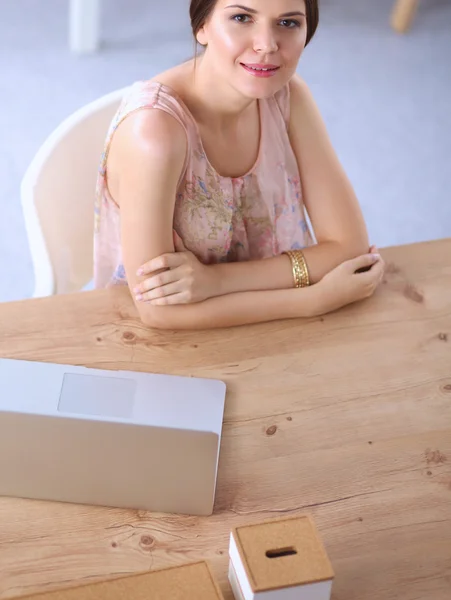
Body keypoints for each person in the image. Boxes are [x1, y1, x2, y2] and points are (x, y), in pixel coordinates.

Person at [94, 0, 385, 330]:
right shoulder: (155, 134)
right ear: (201, 26)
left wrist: (216, 282)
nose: (267, 45)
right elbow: (159, 311)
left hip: (271, 331)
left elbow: (349, 249)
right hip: (161, 344)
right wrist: (313, 300)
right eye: (242, 18)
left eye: (288, 23)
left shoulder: (289, 98)